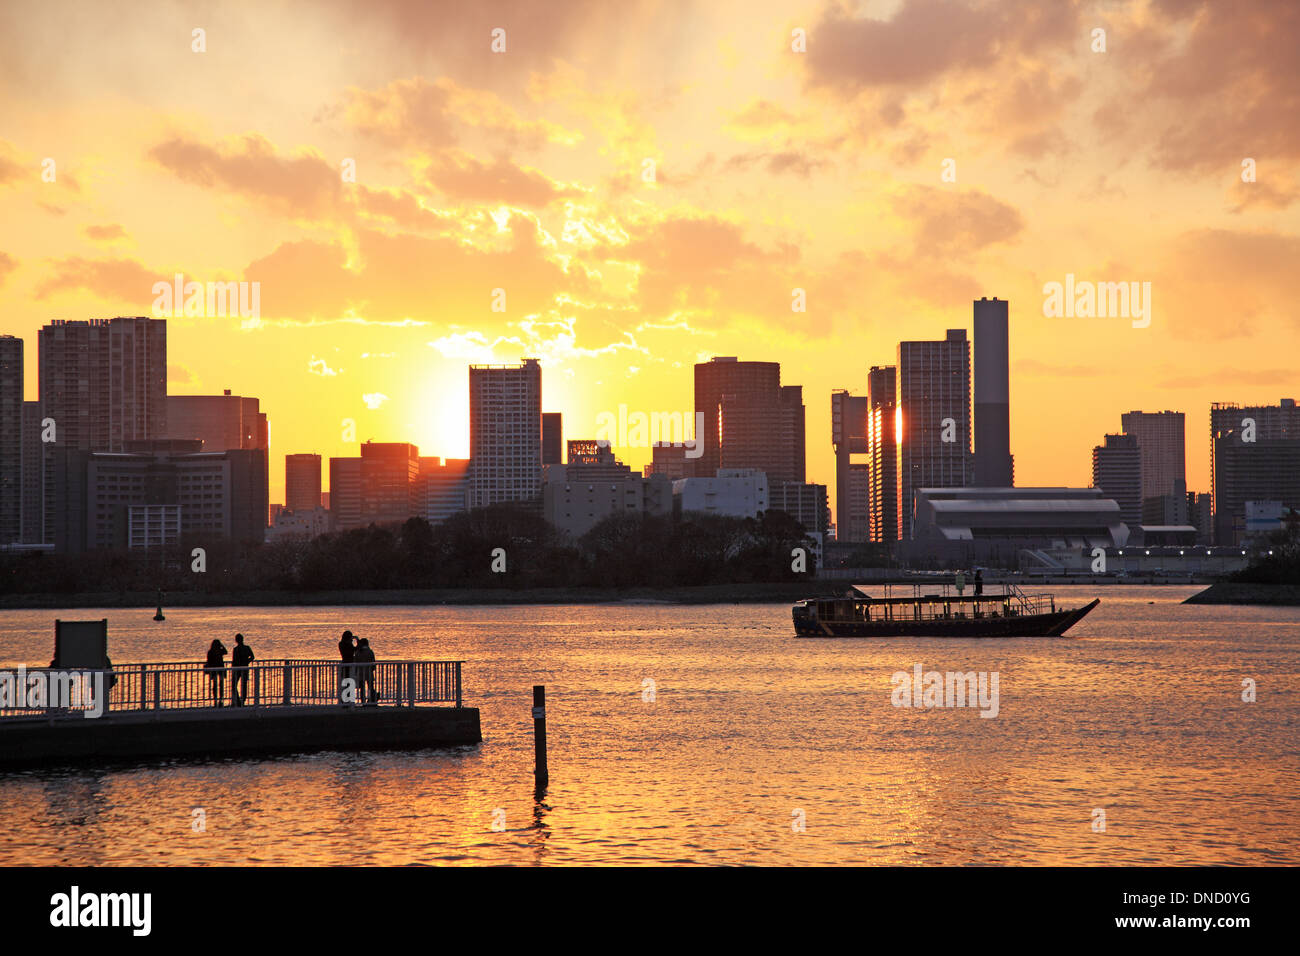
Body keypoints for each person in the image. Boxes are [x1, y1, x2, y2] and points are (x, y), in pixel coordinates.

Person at [230, 634, 255, 706]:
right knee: (244, 686)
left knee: (234, 685)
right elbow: (252, 657)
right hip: (244, 668)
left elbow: (234, 661)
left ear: (236, 640)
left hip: (237, 669)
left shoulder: (236, 649)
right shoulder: (247, 648)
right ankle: (242, 701)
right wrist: (247, 661)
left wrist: (233, 668)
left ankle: (238, 701)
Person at [354, 637, 378, 706]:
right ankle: (372, 701)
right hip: (369, 672)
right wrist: (373, 669)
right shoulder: (370, 651)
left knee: (362, 688)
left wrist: (355, 671)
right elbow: (373, 662)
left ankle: (363, 702)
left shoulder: (358, 652)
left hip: (360, 672)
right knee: (371, 687)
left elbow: (356, 662)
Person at [204, 639, 228, 707]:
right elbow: (225, 651)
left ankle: (215, 699)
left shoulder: (210, 651)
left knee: (215, 685)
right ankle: (221, 699)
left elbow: (208, 660)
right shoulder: (220, 651)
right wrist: (222, 646)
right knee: (221, 684)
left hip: (214, 669)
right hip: (220, 669)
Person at [338, 630, 356, 705]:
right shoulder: (346, 644)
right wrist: (357, 640)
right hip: (348, 665)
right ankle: (346, 701)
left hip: (345, 664)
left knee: (347, 683)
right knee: (348, 683)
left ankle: (346, 700)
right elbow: (353, 650)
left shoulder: (342, 644)